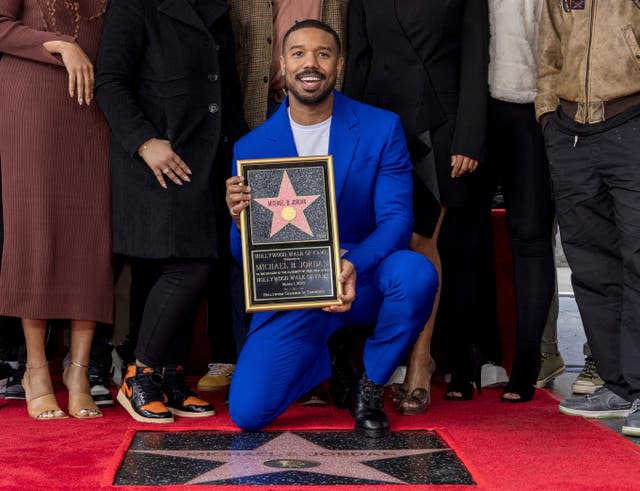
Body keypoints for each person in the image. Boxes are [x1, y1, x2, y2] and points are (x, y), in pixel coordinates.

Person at [226, 20, 438, 437]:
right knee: (248, 414)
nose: (311, 63)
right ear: (283, 64)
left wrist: (353, 265)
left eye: (323, 54)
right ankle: (328, 356)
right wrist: (239, 223)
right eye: (300, 53)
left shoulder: (381, 128)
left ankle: (370, 384)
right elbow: (245, 260)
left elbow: (397, 219)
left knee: (416, 274)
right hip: (297, 291)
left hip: (363, 279)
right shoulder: (250, 148)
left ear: (338, 64)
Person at [95, 0, 246, 423]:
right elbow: (109, 80)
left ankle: (167, 376)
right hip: (156, 159)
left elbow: (225, 88)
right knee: (187, 264)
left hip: (208, 155)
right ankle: (138, 376)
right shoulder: (133, 4)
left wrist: (242, 155)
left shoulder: (218, 5)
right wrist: (145, 142)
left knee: (178, 265)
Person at [199, 0, 350, 406]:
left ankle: (317, 359)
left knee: (319, 229)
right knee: (249, 231)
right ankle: (236, 354)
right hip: (253, 112)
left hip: (319, 107)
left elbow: (339, 43)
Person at [344, 0, 489, 409]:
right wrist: (345, 133)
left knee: (420, 239)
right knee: (381, 241)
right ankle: (384, 359)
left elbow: (475, 56)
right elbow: (358, 58)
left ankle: (420, 361)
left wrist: (470, 135)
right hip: (377, 122)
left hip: (437, 125)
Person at [0, 0, 113, 420]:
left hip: (93, 106)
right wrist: (60, 45)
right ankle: (35, 370)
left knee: (92, 233)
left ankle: (78, 371)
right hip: (32, 103)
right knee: (36, 229)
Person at [536, 0, 640, 436]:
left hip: (630, 123)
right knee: (592, 264)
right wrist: (547, 117)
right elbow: (548, 55)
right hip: (571, 133)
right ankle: (617, 385)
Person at [486, 0, 556, 401]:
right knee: (465, 237)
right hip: (470, 109)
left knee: (529, 235)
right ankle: (471, 359)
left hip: (529, 105)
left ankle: (527, 363)